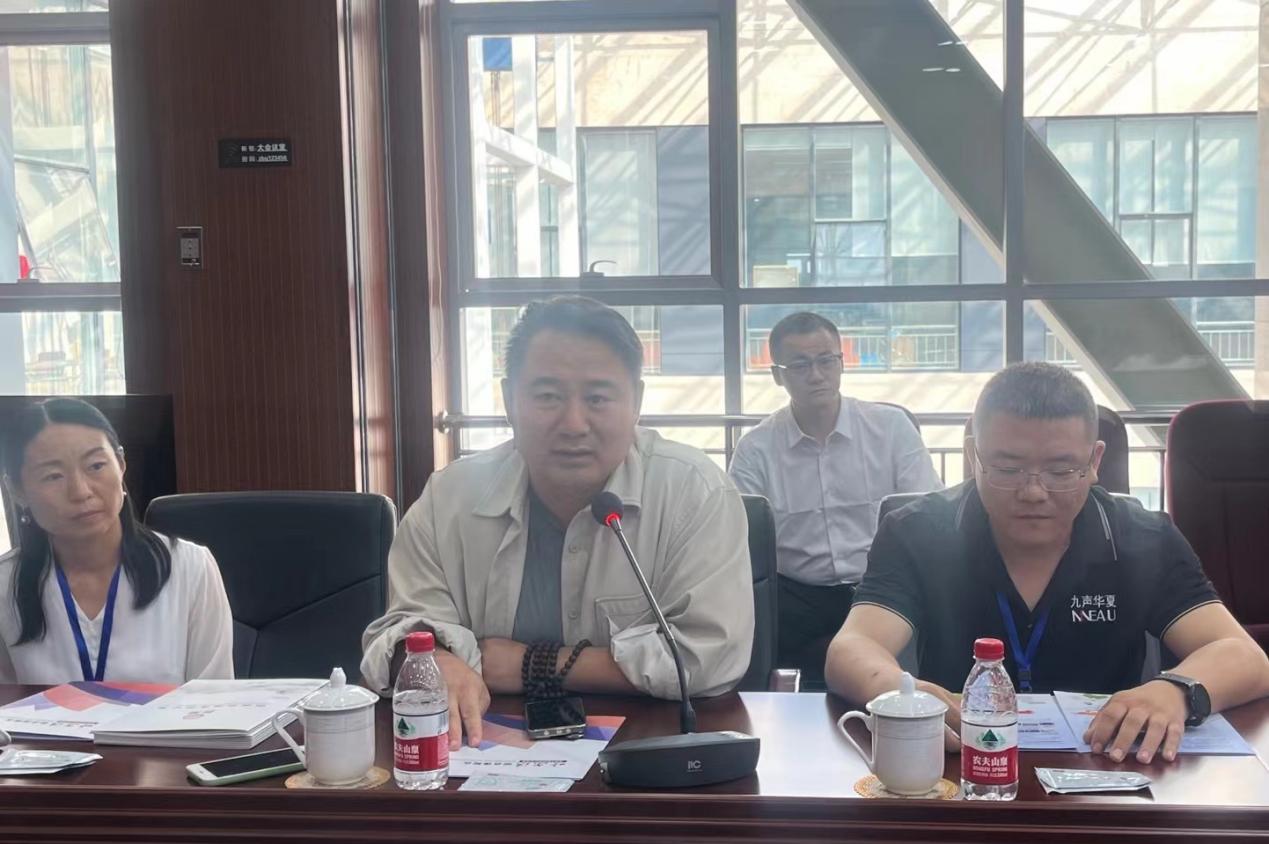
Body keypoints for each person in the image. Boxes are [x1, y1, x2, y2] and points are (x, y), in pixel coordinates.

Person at [826, 362, 1269, 764]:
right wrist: (899, 691)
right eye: (1008, 468)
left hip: (1107, 766)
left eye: (1061, 471)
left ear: (1094, 461)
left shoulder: (1143, 538)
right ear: (973, 455)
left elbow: (1245, 656)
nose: (1033, 492)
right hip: (957, 764)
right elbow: (852, 648)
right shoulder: (917, 531)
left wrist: (1176, 691)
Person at [361, 296, 754, 749]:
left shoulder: (694, 492)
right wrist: (435, 661)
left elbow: (711, 657)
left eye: (597, 398)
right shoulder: (450, 497)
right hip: (479, 754)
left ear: (637, 403)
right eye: (548, 396)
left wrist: (532, 665)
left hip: (650, 753)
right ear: (509, 401)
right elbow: (397, 631)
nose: (573, 424)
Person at [729, 311, 941, 687]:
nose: (816, 375)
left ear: (842, 363)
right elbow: (741, 538)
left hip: (881, 587)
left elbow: (926, 514)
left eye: (826, 360)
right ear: (777, 375)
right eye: (800, 365)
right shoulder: (756, 448)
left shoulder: (891, 428)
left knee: (899, 685)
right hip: (796, 597)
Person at [0, 398, 234, 684]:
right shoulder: (5, 584)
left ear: (121, 464)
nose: (81, 491)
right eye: (53, 476)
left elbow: (215, 699)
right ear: (17, 491)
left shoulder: (190, 568)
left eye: (96, 465)